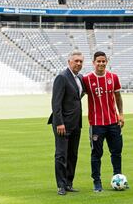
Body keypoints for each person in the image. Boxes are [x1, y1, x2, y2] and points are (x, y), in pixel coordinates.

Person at [82, 51, 126, 192]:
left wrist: (121, 114)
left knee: (116, 153)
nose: (101, 63)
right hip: (96, 124)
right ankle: (97, 182)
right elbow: (78, 96)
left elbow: (118, 97)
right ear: (93, 62)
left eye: (103, 61)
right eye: (98, 61)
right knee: (96, 154)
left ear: (106, 62)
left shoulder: (113, 77)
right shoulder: (87, 79)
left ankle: (117, 177)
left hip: (113, 122)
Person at [48, 50, 84, 195]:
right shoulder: (62, 77)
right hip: (62, 124)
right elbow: (56, 103)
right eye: (76, 61)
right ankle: (61, 186)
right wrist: (59, 123)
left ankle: (69, 183)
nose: (79, 63)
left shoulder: (80, 78)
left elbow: (78, 96)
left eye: (81, 61)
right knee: (61, 155)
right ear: (69, 62)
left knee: (73, 155)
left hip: (76, 123)